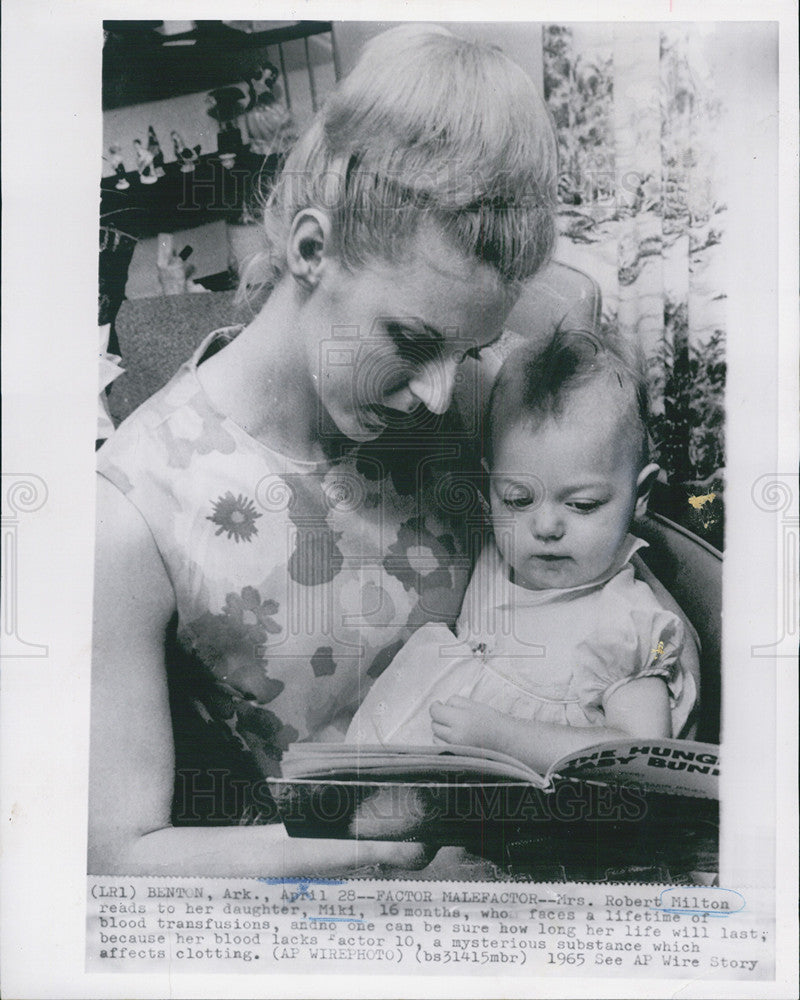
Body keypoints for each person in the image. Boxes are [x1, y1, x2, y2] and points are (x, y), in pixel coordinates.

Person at [90, 24, 559, 877]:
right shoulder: (134, 506)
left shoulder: (454, 402)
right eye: (412, 341)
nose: (441, 396)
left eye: (471, 352)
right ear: (312, 248)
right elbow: (119, 855)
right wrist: (381, 847)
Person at [347, 333, 697, 772]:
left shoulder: (624, 625)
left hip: (542, 828)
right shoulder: (499, 556)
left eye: (582, 505)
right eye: (517, 499)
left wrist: (507, 737)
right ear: (489, 489)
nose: (546, 527)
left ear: (639, 495)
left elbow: (641, 755)